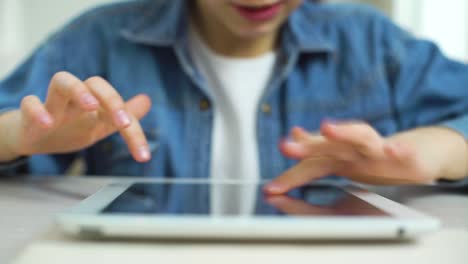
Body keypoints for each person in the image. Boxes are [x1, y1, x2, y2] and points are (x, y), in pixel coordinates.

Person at [0, 0, 467, 196]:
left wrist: (439, 150)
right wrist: (16, 136)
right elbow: (9, 123)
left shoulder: (374, 45)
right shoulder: (98, 38)